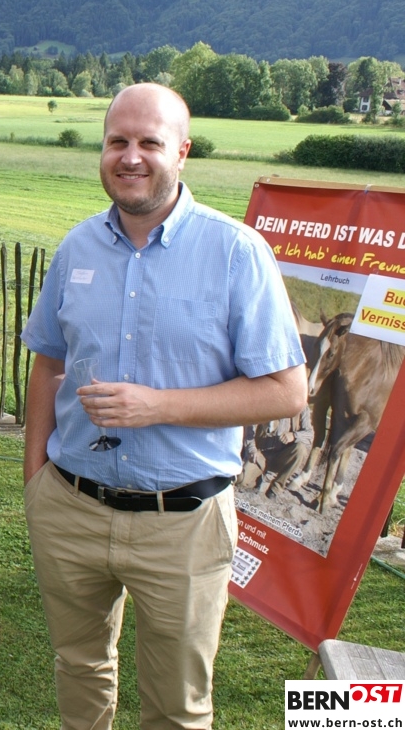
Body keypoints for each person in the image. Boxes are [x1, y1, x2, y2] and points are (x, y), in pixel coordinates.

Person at [20, 83, 307, 729]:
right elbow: (49, 362)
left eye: (149, 142)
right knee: (79, 668)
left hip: (182, 521)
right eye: (117, 141)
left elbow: (287, 391)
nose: (130, 157)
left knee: (177, 707)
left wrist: (158, 405)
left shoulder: (235, 252)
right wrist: (35, 476)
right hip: (71, 507)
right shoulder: (78, 248)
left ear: (182, 151)